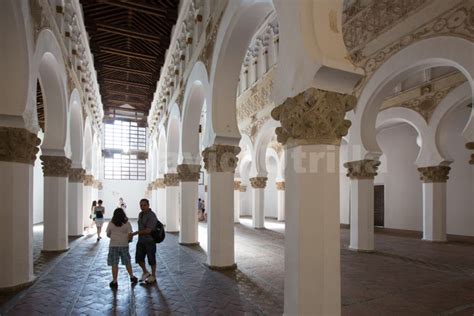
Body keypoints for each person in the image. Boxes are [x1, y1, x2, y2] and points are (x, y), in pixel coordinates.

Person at [106, 208, 138, 288]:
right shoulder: (127, 223)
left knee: (114, 263)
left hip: (113, 245)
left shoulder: (111, 223)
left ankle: (115, 281)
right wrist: (128, 240)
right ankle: (132, 276)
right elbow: (130, 234)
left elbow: (108, 234)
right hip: (124, 245)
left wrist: (113, 237)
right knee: (127, 261)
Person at [129, 198, 158, 284]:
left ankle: (153, 275)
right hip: (141, 240)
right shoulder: (140, 214)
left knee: (151, 259)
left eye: (144, 205)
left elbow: (148, 230)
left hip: (150, 240)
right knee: (139, 258)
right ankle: (145, 272)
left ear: (148, 205)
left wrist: (135, 233)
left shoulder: (152, 215)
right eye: (141, 205)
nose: (142, 207)